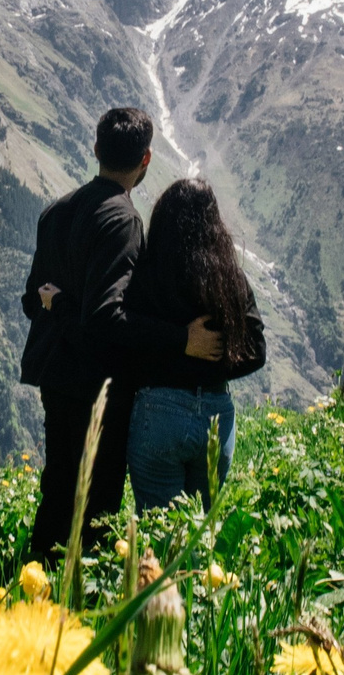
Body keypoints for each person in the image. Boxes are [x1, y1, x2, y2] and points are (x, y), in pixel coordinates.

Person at [18, 108, 217, 561]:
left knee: (59, 486)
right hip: (98, 383)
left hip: (55, 375)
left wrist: (57, 302)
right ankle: (84, 595)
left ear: (95, 150)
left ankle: (37, 581)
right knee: (98, 498)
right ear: (145, 159)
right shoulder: (123, 221)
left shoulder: (56, 211)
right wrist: (181, 339)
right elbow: (107, 317)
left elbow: (33, 299)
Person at [119, 178, 265, 511]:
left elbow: (126, 336)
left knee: (160, 536)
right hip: (216, 413)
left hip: (160, 410)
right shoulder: (229, 278)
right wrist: (212, 360)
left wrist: (177, 350)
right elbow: (257, 349)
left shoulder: (147, 273)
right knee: (199, 534)